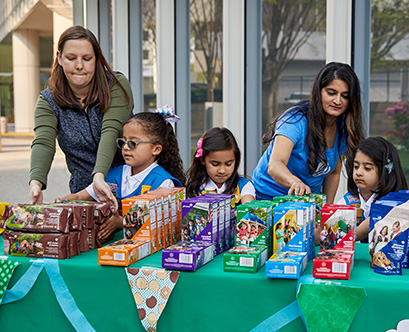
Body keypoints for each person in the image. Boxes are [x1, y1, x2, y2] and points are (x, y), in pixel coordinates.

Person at [29, 26, 134, 208]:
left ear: (97, 59)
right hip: (82, 194)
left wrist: (99, 176)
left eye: (87, 59)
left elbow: (111, 131)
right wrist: (36, 183)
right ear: (59, 58)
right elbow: (43, 143)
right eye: (71, 58)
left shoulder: (116, 86)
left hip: (130, 186)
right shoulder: (48, 101)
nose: (79, 65)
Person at [58, 109, 186, 241]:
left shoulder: (162, 182)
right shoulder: (114, 174)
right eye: (123, 142)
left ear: (156, 149)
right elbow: (81, 196)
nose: (125, 147)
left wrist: (121, 222)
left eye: (133, 143)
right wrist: (64, 202)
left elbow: (161, 223)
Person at [252, 62, 365, 202]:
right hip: (268, 198)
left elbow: (334, 173)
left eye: (345, 96)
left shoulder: (344, 127)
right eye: (331, 93)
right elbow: (275, 165)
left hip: (307, 203)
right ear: (319, 91)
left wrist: (326, 211)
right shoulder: (295, 120)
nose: (337, 100)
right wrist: (295, 183)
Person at [341, 137, 409, 241]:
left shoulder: (395, 203)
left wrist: (356, 233)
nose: (359, 172)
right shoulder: (348, 201)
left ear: (385, 172)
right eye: (356, 166)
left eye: (367, 168)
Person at [185, 127, 255, 204]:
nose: (222, 171)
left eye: (228, 164)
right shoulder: (194, 189)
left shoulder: (244, 186)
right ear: (202, 160)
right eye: (215, 164)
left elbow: (249, 207)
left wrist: (242, 212)